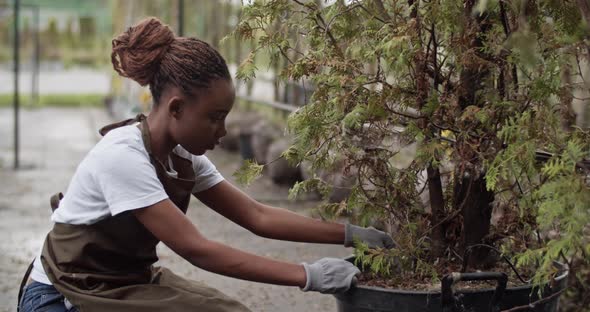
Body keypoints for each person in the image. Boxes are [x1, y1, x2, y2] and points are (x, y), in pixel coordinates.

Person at [17, 17, 395, 312]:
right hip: (63, 295)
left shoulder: (183, 157)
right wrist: (307, 275)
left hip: (123, 282)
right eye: (215, 117)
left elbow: (256, 215)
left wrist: (349, 234)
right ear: (176, 108)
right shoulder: (122, 156)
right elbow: (197, 249)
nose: (223, 130)